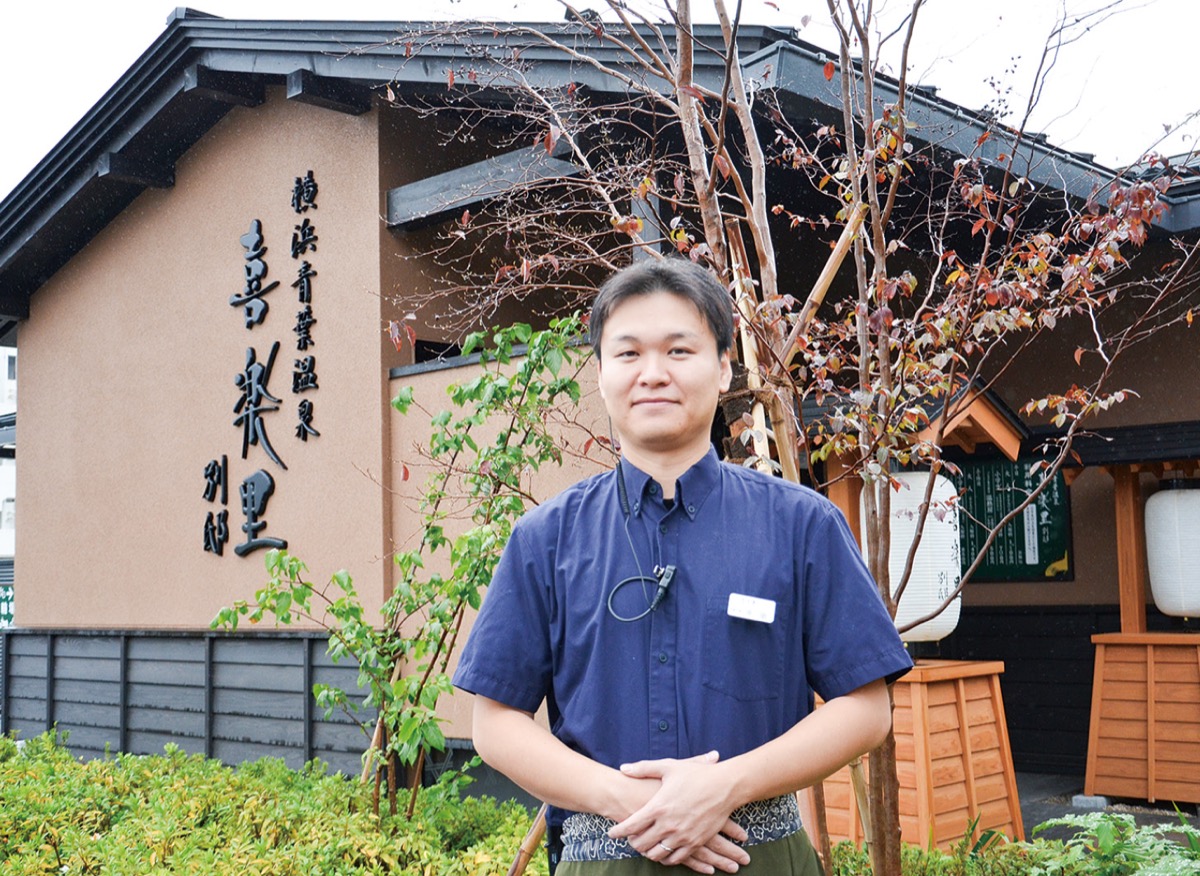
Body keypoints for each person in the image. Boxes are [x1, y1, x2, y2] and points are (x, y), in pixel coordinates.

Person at [452, 259, 913, 875]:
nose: (653, 374)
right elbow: (496, 722)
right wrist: (631, 801)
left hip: (761, 855)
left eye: (678, 350)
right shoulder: (546, 538)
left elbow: (866, 707)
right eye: (628, 354)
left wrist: (726, 786)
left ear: (723, 368)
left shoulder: (803, 526)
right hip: (604, 859)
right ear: (599, 375)